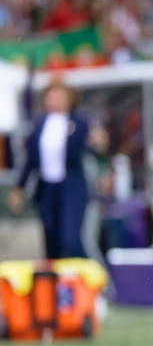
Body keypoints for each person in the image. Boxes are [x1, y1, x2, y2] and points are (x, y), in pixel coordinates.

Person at [8, 80, 98, 259]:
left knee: (70, 238)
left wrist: (98, 143)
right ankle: (54, 283)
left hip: (71, 186)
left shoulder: (79, 122)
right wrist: (19, 187)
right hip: (48, 187)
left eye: (60, 96)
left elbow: (91, 148)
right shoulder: (39, 123)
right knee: (51, 240)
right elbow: (31, 159)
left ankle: (90, 279)